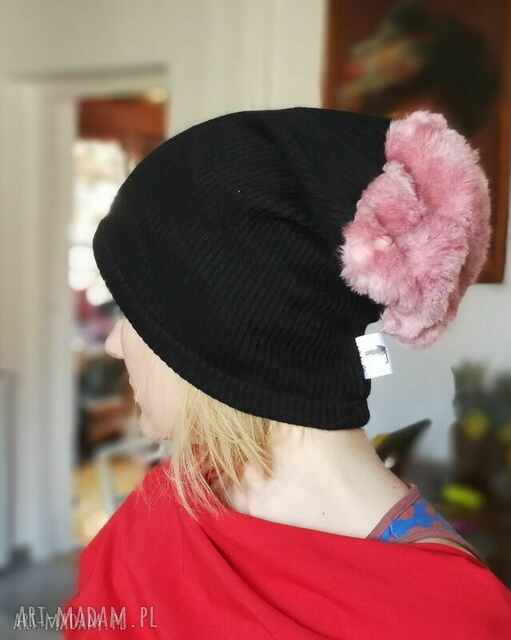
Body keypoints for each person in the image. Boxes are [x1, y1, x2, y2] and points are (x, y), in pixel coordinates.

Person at [62, 107, 511, 638]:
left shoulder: (452, 619)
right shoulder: (169, 502)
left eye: (136, 315)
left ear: (226, 336)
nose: (113, 344)